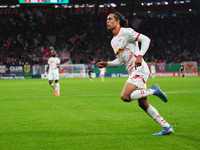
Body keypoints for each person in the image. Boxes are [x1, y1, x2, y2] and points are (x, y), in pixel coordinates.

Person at [96, 12, 174, 136]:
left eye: (110, 19)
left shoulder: (126, 32)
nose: (107, 21)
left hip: (140, 69)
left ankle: (154, 90)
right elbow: (121, 60)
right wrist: (107, 64)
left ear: (117, 21)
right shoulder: (113, 41)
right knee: (143, 103)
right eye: (106, 19)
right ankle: (167, 127)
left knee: (125, 96)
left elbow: (146, 39)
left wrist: (140, 55)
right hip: (133, 71)